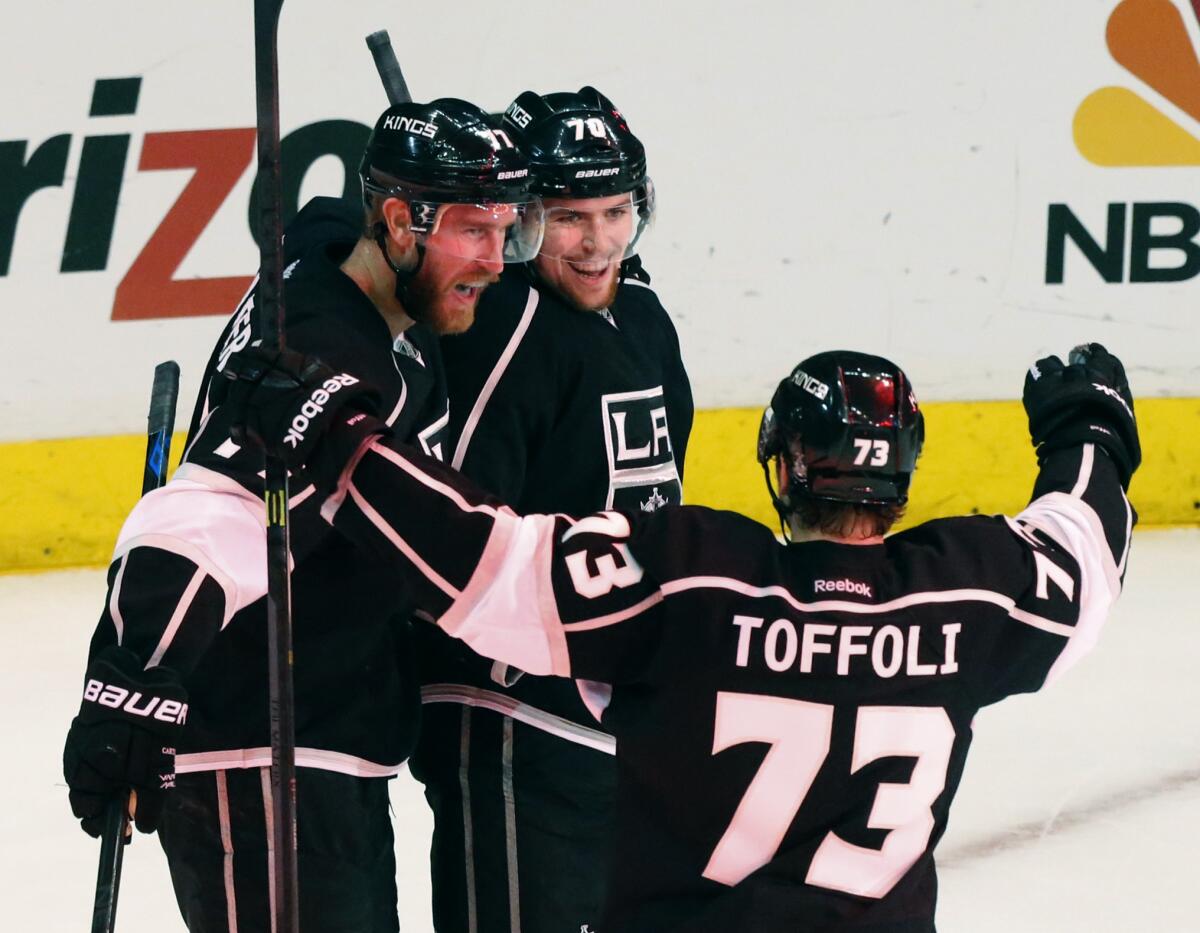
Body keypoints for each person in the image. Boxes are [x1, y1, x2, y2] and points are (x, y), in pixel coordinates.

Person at [227, 341, 1139, 932]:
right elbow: (1086, 547)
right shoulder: (971, 592)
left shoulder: (693, 577)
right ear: (902, 476)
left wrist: (338, 437)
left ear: (781, 467)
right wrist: (1089, 429)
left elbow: (480, 563)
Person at [61, 98, 542, 933]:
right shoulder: (326, 356)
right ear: (398, 221)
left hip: (325, 740)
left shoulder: (324, 253)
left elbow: (317, 221)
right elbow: (202, 518)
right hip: (264, 755)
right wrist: (131, 684)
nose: (498, 262)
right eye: (475, 231)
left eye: (508, 230)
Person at [408, 85, 693, 933]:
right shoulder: (503, 326)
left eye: (615, 212)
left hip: (617, 711)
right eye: (569, 217)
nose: (598, 241)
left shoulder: (642, 318)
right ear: (520, 219)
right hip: (510, 715)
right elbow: (454, 529)